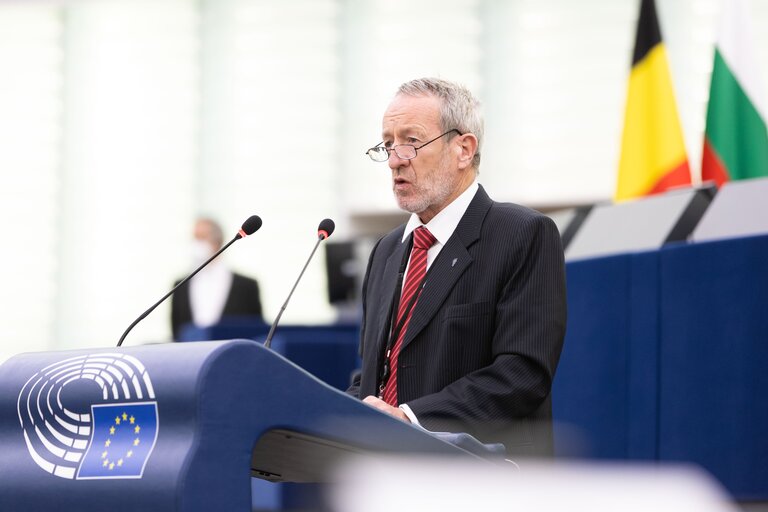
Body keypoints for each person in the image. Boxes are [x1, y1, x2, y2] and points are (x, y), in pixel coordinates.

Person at [346, 78, 567, 456]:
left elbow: (520, 375)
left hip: (480, 479)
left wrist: (410, 418)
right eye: (387, 144)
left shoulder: (522, 234)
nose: (395, 159)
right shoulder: (385, 251)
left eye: (411, 141)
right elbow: (377, 375)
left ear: (463, 149)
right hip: (390, 478)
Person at [170, 217, 263, 340]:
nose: (195, 244)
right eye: (194, 238)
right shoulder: (180, 285)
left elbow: (256, 331)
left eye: (201, 238)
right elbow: (176, 331)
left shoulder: (246, 286)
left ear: (217, 241)